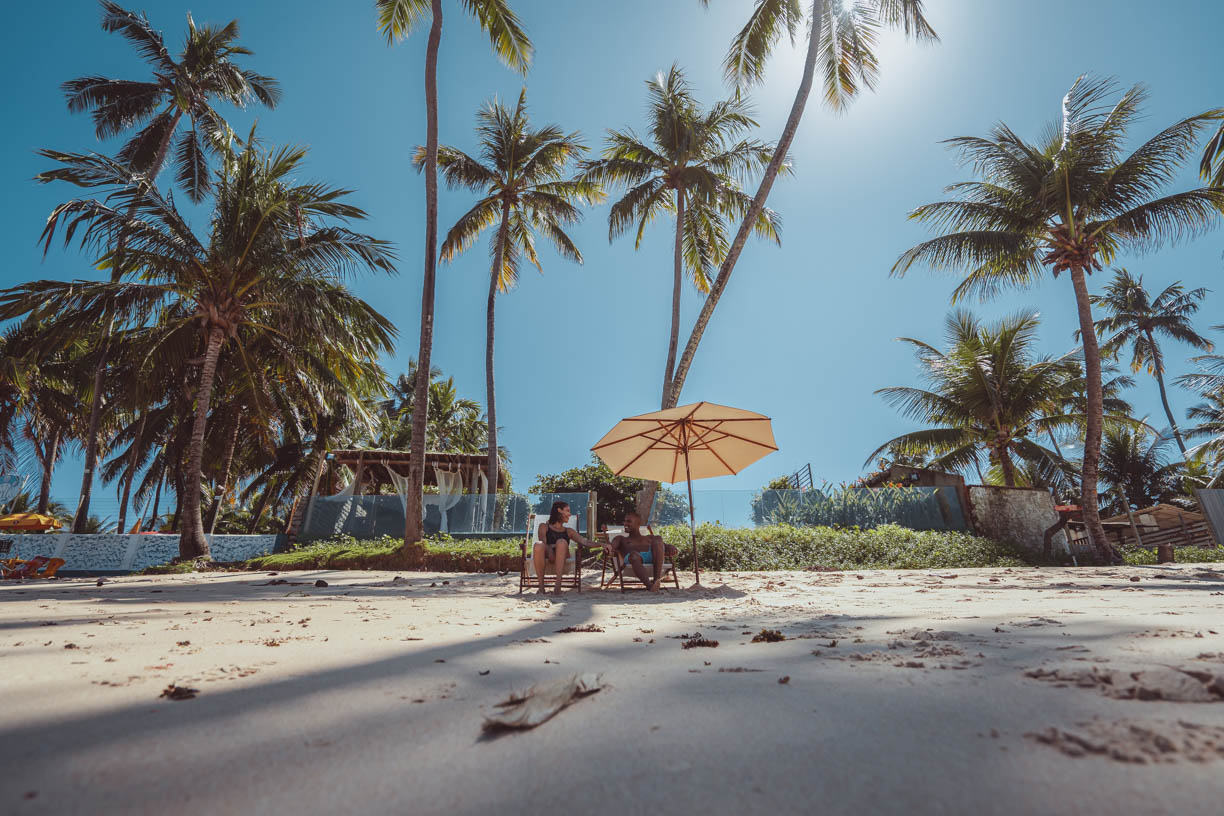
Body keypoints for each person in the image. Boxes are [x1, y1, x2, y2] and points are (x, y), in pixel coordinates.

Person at [534, 501, 601, 595]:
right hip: (547, 554)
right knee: (538, 544)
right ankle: (541, 587)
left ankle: (558, 585)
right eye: (567, 511)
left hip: (562, 553)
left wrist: (602, 545)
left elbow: (585, 542)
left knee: (561, 542)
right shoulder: (544, 526)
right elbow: (543, 542)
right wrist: (550, 552)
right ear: (559, 510)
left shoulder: (569, 531)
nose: (569, 514)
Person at [609, 511, 670, 591]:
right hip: (632, 559)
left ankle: (656, 581)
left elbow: (663, 546)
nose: (625, 524)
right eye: (625, 521)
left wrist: (671, 547)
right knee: (634, 555)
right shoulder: (621, 539)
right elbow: (610, 547)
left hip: (651, 558)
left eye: (629, 521)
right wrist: (609, 549)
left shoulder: (649, 538)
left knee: (658, 538)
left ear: (638, 524)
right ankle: (650, 586)